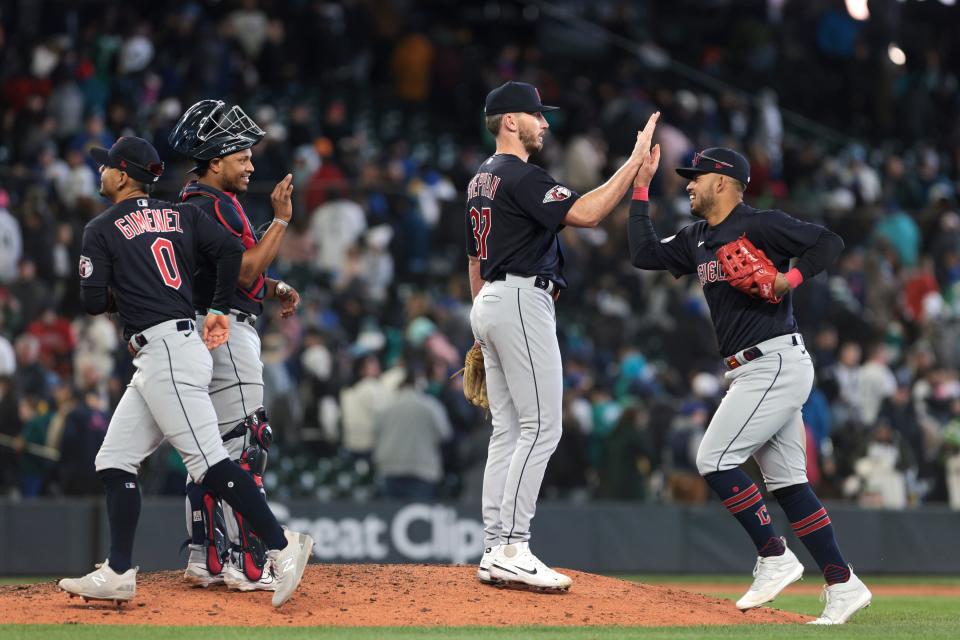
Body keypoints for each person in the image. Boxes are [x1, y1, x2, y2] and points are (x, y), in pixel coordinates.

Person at [58, 137, 312, 608]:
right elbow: (232, 256)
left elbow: (92, 302)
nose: (101, 174)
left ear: (120, 175)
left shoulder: (100, 228)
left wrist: (127, 289)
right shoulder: (183, 214)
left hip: (167, 351)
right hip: (173, 347)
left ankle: (282, 545)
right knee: (114, 460)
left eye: (106, 168)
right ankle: (117, 571)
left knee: (208, 463)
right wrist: (217, 307)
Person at [627, 144, 872, 625]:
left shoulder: (759, 224)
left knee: (714, 459)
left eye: (696, 176)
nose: (689, 184)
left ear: (722, 182)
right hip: (749, 367)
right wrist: (640, 185)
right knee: (790, 486)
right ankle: (843, 583)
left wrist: (789, 279)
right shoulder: (696, 236)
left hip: (775, 358)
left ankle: (775, 554)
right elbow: (643, 253)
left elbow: (829, 242)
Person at [466, 80, 659, 591]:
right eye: (536, 115)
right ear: (511, 121)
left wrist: (481, 320)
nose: (544, 123)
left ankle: (493, 548)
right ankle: (512, 544)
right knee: (543, 426)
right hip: (520, 300)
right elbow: (590, 215)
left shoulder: (480, 179)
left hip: (492, 298)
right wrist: (634, 162)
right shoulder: (517, 174)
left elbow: (473, 260)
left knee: (508, 430)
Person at [168, 100, 302, 592]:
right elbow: (245, 270)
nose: (250, 164)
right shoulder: (219, 205)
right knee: (246, 444)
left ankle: (206, 556)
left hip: (197, 326)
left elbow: (228, 273)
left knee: (206, 447)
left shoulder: (189, 202)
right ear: (215, 160)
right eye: (241, 156)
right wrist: (280, 222)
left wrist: (276, 286)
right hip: (227, 332)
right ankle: (249, 564)